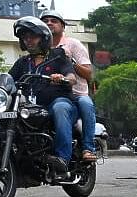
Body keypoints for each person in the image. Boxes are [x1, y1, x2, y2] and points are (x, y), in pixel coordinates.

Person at [8, 17, 77, 173]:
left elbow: (72, 78)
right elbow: (8, 79)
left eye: (32, 36)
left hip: (57, 104)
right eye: (25, 38)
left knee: (60, 108)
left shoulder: (58, 56)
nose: (28, 40)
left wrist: (62, 78)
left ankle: (62, 158)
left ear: (44, 38)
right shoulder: (22, 63)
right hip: (30, 108)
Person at [41, 10, 97, 162]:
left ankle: (88, 148)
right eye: (45, 21)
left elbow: (89, 74)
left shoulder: (73, 44)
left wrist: (69, 61)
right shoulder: (39, 48)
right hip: (53, 95)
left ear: (63, 26)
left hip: (77, 94)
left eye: (54, 20)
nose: (49, 23)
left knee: (86, 104)